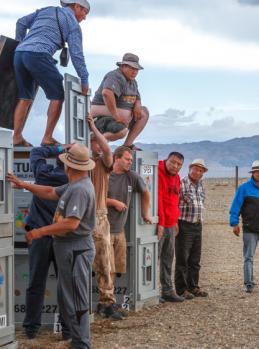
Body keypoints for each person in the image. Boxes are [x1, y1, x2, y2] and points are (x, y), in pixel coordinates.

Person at [7, 143, 96, 349]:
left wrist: (39, 231)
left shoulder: (80, 189)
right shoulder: (75, 184)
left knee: (76, 297)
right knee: (69, 295)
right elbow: (49, 191)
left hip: (76, 247)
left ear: (70, 166)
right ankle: (75, 339)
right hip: (69, 247)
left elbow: (71, 223)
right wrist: (24, 185)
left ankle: (81, 343)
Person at [13, 0, 90, 147]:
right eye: (85, 12)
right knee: (58, 95)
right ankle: (47, 137)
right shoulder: (72, 23)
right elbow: (77, 55)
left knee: (25, 98)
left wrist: (21, 43)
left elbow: (21, 23)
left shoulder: (46, 10)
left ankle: (16, 137)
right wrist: (84, 79)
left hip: (19, 54)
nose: (84, 17)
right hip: (39, 55)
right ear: (76, 6)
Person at [22, 145, 68, 340]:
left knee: (35, 283)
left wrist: (60, 147)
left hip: (38, 236)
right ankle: (67, 330)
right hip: (63, 238)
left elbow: (36, 152)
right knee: (65, 285)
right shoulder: (71, 181)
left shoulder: (42, 173)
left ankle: (31, 329)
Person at [87, 115, 122, 320]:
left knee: (106, 261)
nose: (100, 145)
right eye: (95, 141)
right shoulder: (80, 162)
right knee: (95, 262)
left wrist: (93, 127)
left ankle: (107, 302)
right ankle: (102, 303)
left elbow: (108, 151)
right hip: (86, 217)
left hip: (100, 216)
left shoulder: (102, 163)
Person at [106, 146, 152, 305]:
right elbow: (93, 198)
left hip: (119, 231)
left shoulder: (132, 176)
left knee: (116, 268)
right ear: (116, 158)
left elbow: (146, 193)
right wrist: (113, 202)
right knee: (107, 269)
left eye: (131, 160)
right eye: (127, 159)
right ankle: (107, 304)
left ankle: (110, 301)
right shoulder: (105, 175)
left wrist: (145, 214)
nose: (130, 162)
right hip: (103, 231)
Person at [229, 160, 259, 293]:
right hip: (250, 229)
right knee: (248, 257)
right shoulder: (244, 188)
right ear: (253, 173)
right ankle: (248, 284)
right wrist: (234, 223)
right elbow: (236, 206)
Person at [90, 53, 149, 149]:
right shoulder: (115, 76)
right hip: (102, 117)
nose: (135, 72)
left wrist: (138, 104)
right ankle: (97, 141)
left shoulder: (133, 82)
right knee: (122, 131)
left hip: (119, 118)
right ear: (123, 66)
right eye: (132, 68)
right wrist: (117, 116)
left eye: (137, 69)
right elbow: (107, 93)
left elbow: (137, 96)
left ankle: (127, 145)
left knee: (144, 112)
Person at [174, 159, 209, 300]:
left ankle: (193, 286)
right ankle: (181, 290)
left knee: (195, 259)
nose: (198, 172)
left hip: (197, 225)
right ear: (190, 169)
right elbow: (174, 203)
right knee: (183, 259)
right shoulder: (181, 183)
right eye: (196, 169)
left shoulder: (201, 185)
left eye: (201, 170)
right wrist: (175, 222)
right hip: (184, 225)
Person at [158, 152, 185, 302]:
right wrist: (161, 223)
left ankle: (167, 290)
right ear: (166, 160)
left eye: (179, 164)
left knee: (167, 259)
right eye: (173, 162)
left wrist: (175, 221)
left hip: (170, 224)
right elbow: (158, 199)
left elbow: (174, 201)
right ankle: (151, 291)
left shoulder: (176, 178)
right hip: (159, 225)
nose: (175, 166)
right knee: (153, 258)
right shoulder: (158, 173)